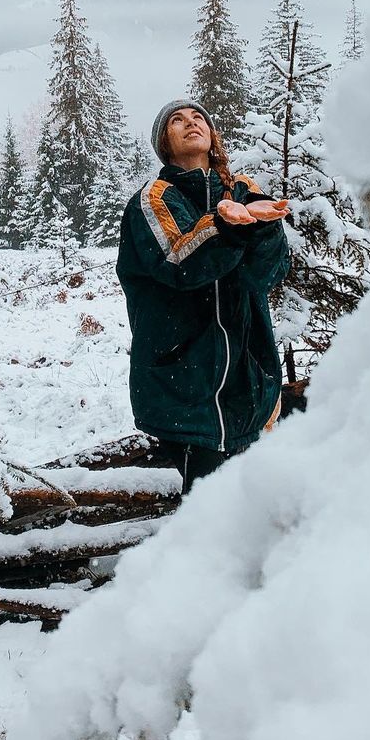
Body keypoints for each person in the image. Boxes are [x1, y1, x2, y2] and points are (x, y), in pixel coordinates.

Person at [117, 98, 291, 493]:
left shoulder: (244, 191)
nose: (190, 123)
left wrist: (262, 229)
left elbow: (269, 273)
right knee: (209, 509)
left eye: (198, 118)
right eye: (176, 121)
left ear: (211, 134)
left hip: (246, 378)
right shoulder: (154, 199)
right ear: (165, 142)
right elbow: (180, 262)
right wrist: (226, 226)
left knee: (251, 498)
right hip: (183, 379)